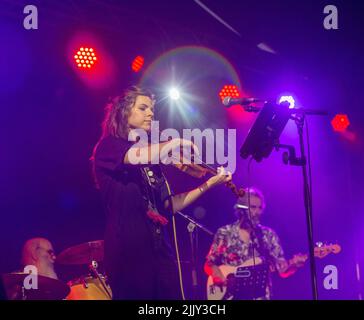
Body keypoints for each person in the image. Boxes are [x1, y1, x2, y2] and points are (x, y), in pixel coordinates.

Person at [91, 86, 231, 299]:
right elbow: (136, 156)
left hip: (159, 251)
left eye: (152, 109)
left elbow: (169, 205)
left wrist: (209, 183)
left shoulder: (150, 159)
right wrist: (173, 142)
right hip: (128, 252)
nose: (151, 113)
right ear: (124, 111)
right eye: (143, 108)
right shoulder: (109, 146)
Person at [204, 187, 305, 300]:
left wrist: (294, 265)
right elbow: (209, 264)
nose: (257, 212)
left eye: (260, 208)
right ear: (241, 208)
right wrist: (217, 275)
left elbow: (282, 271)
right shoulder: (225, 233)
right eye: (253, 207)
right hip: (230, 296)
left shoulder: (268, 235)